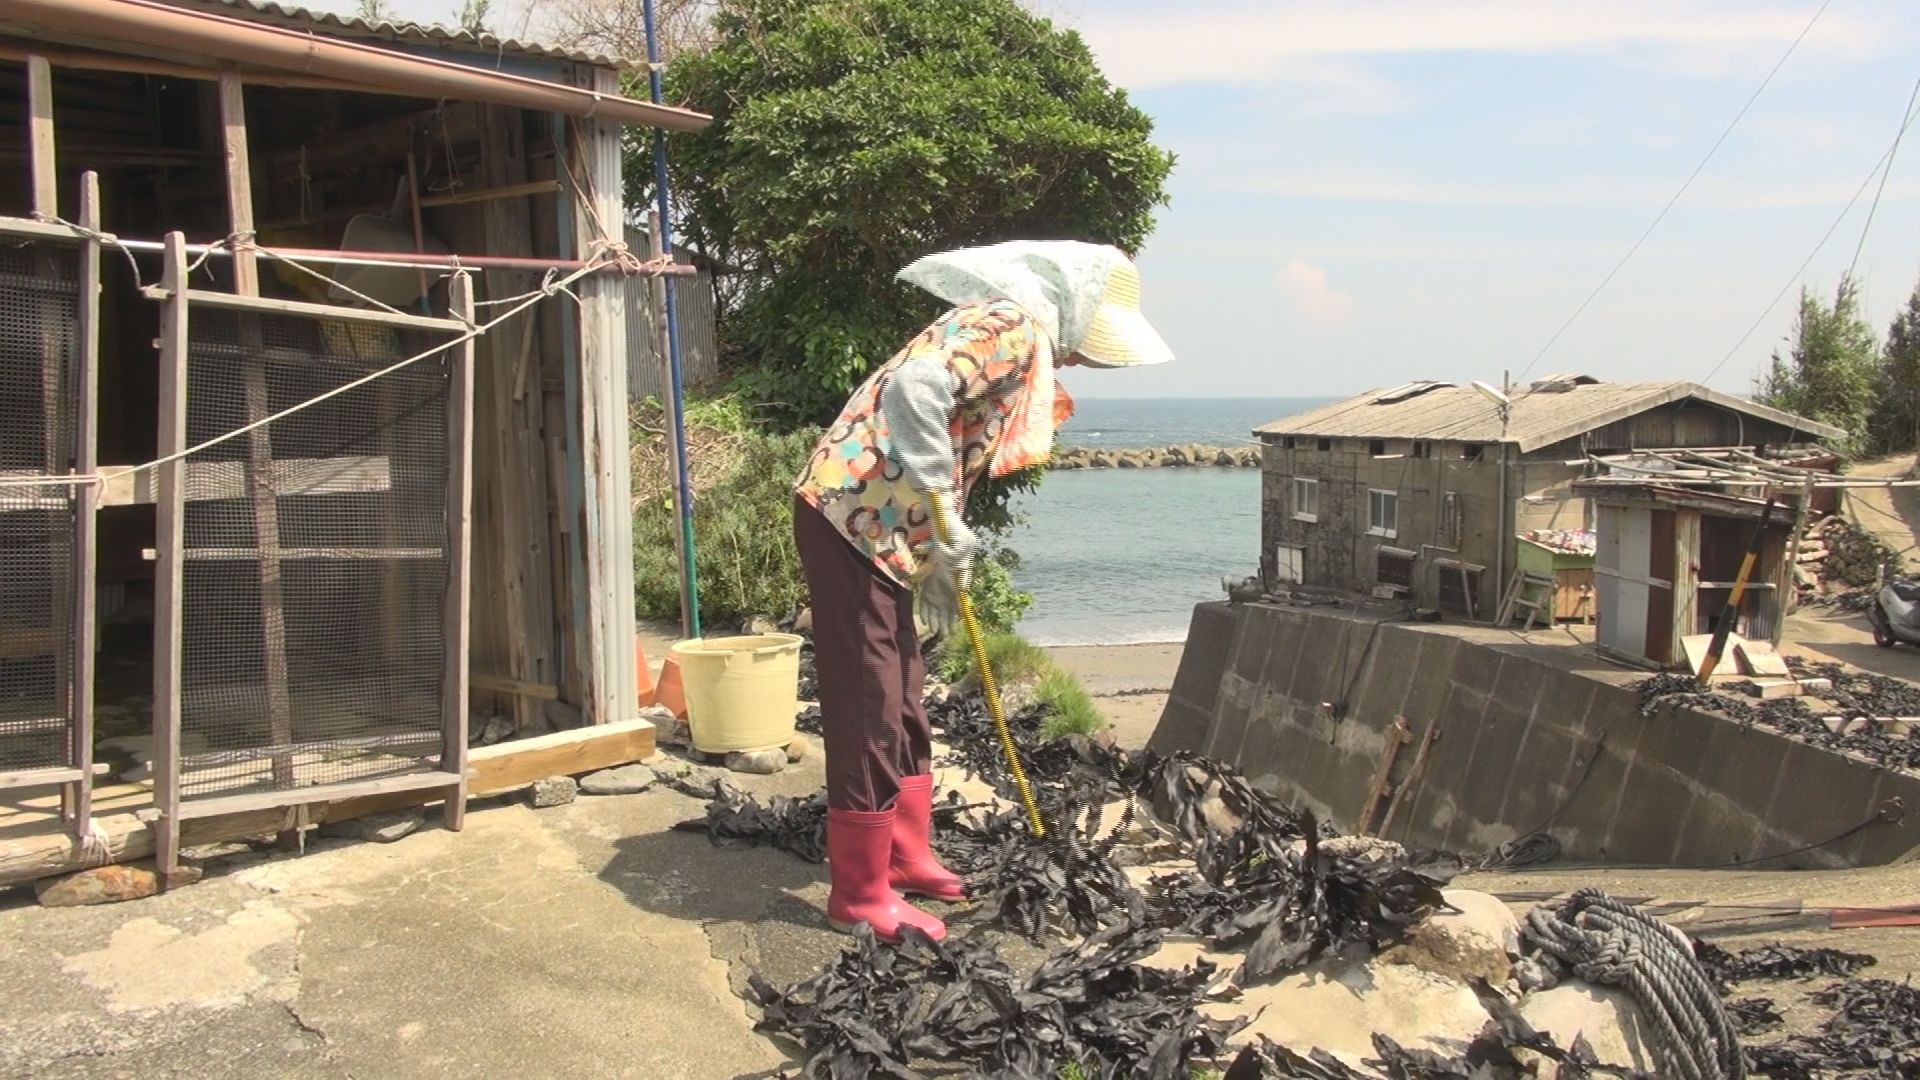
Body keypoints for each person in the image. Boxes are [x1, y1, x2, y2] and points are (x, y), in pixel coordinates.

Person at [792, 241, 1175, 942]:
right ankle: (858, 893)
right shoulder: (1012, 327)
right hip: (852, 517)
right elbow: (915, 388)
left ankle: (903, 855)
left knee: (902, 691)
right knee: (870, 700)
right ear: (1076, 311)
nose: (1088, 359)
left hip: (886, 530)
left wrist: (939, 542)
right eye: (1094, 346)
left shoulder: (1009, 328)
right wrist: (942, 516)